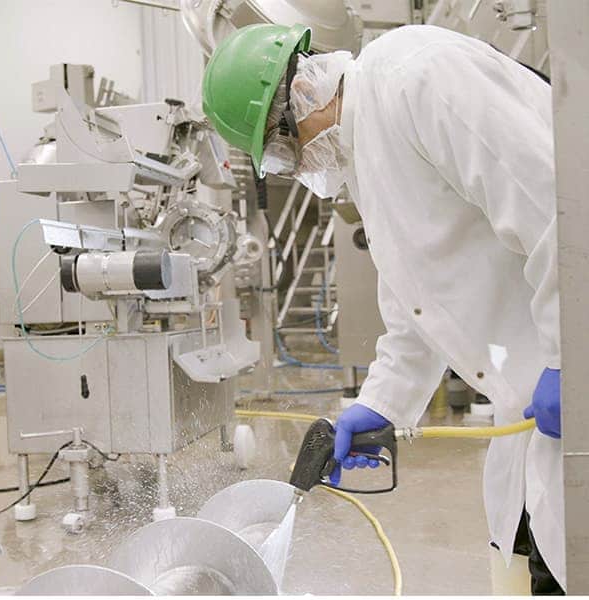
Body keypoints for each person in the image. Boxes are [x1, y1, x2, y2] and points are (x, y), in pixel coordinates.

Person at [202, 23, 563, 594]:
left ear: (301, 96)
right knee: (526, 559)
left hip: (564, 377)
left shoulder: (417, 77)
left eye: (282, 150)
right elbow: (416, 305)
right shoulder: (365, 151)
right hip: (528, 405)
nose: (295, 169)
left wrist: (573, 357)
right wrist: (383, 404)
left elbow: (558, 205)